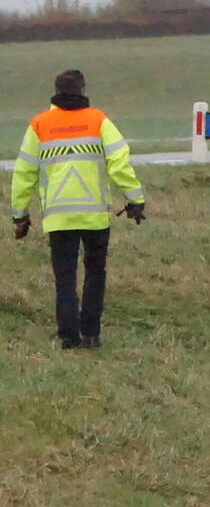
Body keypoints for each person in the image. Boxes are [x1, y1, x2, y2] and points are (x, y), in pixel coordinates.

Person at [10, 70, 146, 349]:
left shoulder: (40, 124)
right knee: (96, 273)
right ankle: (91, 335)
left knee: (65, 278)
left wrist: (20, 215)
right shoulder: (99, 120)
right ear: (82, 89)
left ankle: (68, 338)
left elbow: (24, 173)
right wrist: (135, 199)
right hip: (94, 216)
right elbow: (119, 162)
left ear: (56, 92)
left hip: (59, 217)